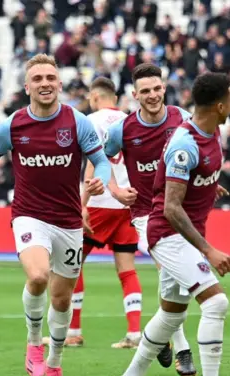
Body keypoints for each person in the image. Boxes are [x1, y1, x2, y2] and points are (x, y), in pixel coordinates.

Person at [0, 54, 120, 376]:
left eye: (50, 78)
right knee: (38, 276)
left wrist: (99, 179)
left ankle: (54, 362)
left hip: (68, 222)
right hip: (28, 215)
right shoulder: (14, 125)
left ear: (59, 84)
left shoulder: (77, 122)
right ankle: (33, 340)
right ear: (27, 87)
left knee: (61, 300)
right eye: (37, 78)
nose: (44, 83)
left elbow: (101, 160)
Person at [111, 72, 230, 376]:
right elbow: (170, 206)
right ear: (220, 104)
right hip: (167, 235)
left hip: (181, 233)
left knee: (171, 314)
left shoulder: (208, 133)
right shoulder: (185, 143)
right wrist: (210, 250)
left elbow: (188, 183)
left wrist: (209, 186)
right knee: (217, 303)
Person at [104, 63, 196, 376]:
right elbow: (101, 158)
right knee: (171, 269)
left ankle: (160, 337)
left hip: (182, 211)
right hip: (145, 214)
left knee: (179, 280)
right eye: (146, 91)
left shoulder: (181, 118)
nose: (153, 95)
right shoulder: (123, 129)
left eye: (157, 89)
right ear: (135, 95)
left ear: (163, 88)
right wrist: (115, 189)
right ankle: (182, 347)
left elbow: (199, 153)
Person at [41, 77, 141, 349]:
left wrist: (81, 204)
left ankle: (73, 330)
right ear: (116, 98)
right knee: (127, 270)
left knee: (71, 264)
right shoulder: (131, 120)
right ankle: (134, 333)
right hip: (127, 203)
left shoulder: (89, 120)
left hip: (98, 201)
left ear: (95, 97)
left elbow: (91, 164)